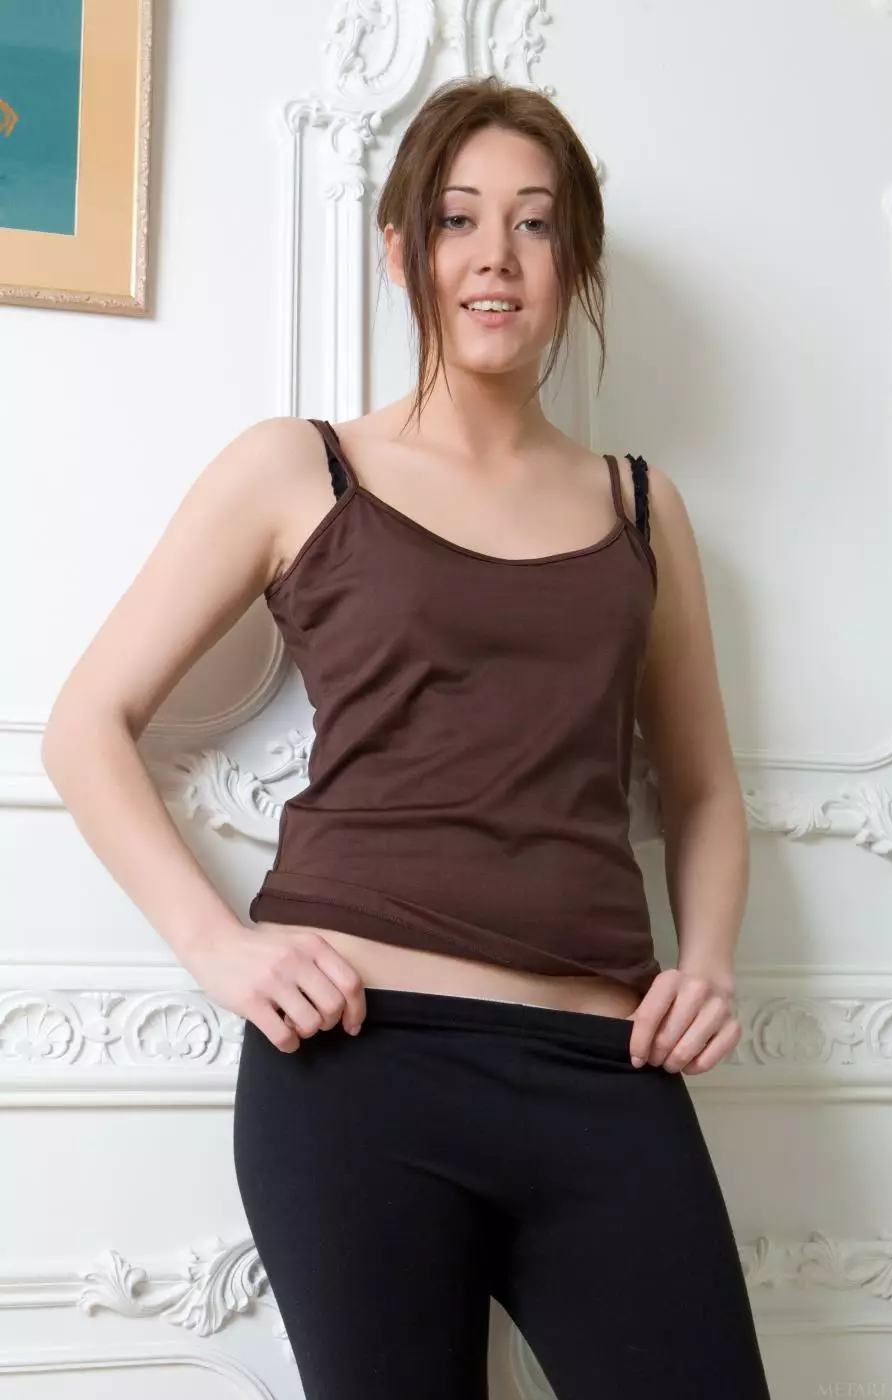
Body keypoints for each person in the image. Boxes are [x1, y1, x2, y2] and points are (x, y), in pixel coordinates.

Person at [41, 75, 771, 1400]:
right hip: (357, 1072)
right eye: (456, 219)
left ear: (574, 260)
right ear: (399, 251)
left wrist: (708, 963)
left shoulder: (639, 508)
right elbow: (87, 724)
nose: (496, 256)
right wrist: (218, 947)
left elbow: (705, 789)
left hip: (602, 1071)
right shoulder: (298, 470)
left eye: (535, 223)